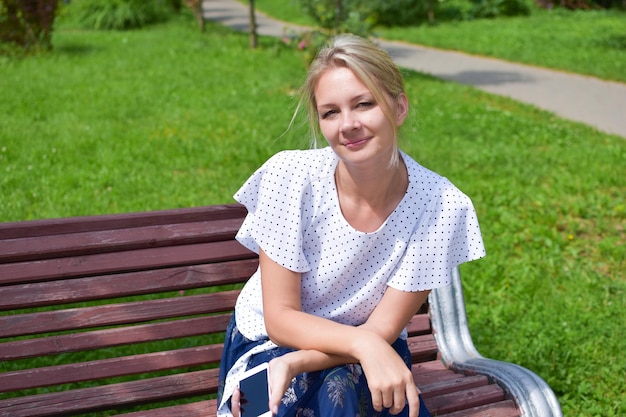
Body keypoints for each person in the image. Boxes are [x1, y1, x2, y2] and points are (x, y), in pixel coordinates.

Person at [217, 33, 485, 417]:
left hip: (372, 346)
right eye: (330, 112)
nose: (348, 125)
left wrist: (305, 361)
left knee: (343, 391)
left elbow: (381, 331)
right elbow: (280, 320)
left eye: (364, 104)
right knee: (299, 399)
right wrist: (304, 357)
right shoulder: (290, 178)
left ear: (399, 108)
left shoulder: (442, 207)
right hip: (268, 348)